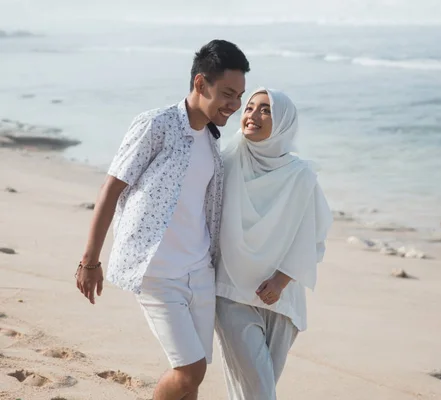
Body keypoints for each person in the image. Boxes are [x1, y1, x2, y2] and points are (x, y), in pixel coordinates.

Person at [75, 39, 249, 400]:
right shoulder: (157, 124)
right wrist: (89, 260)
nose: (235, 106)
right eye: (228, 94)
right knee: (189, 370)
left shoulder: (211, 139)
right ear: (201, 84)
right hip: (156, 270)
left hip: (199, 270)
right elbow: (111, 188)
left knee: (193, 376)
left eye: (240, 97)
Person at [215, 88, 333, 399]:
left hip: (282, 298)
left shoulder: (301, 175)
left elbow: (313, 234)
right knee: (260, 390)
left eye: (265, 110)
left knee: (253, 389)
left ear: (282, 122)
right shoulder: (225, 162)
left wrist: (281, 280)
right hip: (232, 292)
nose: (252, 115)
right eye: (250, 107)